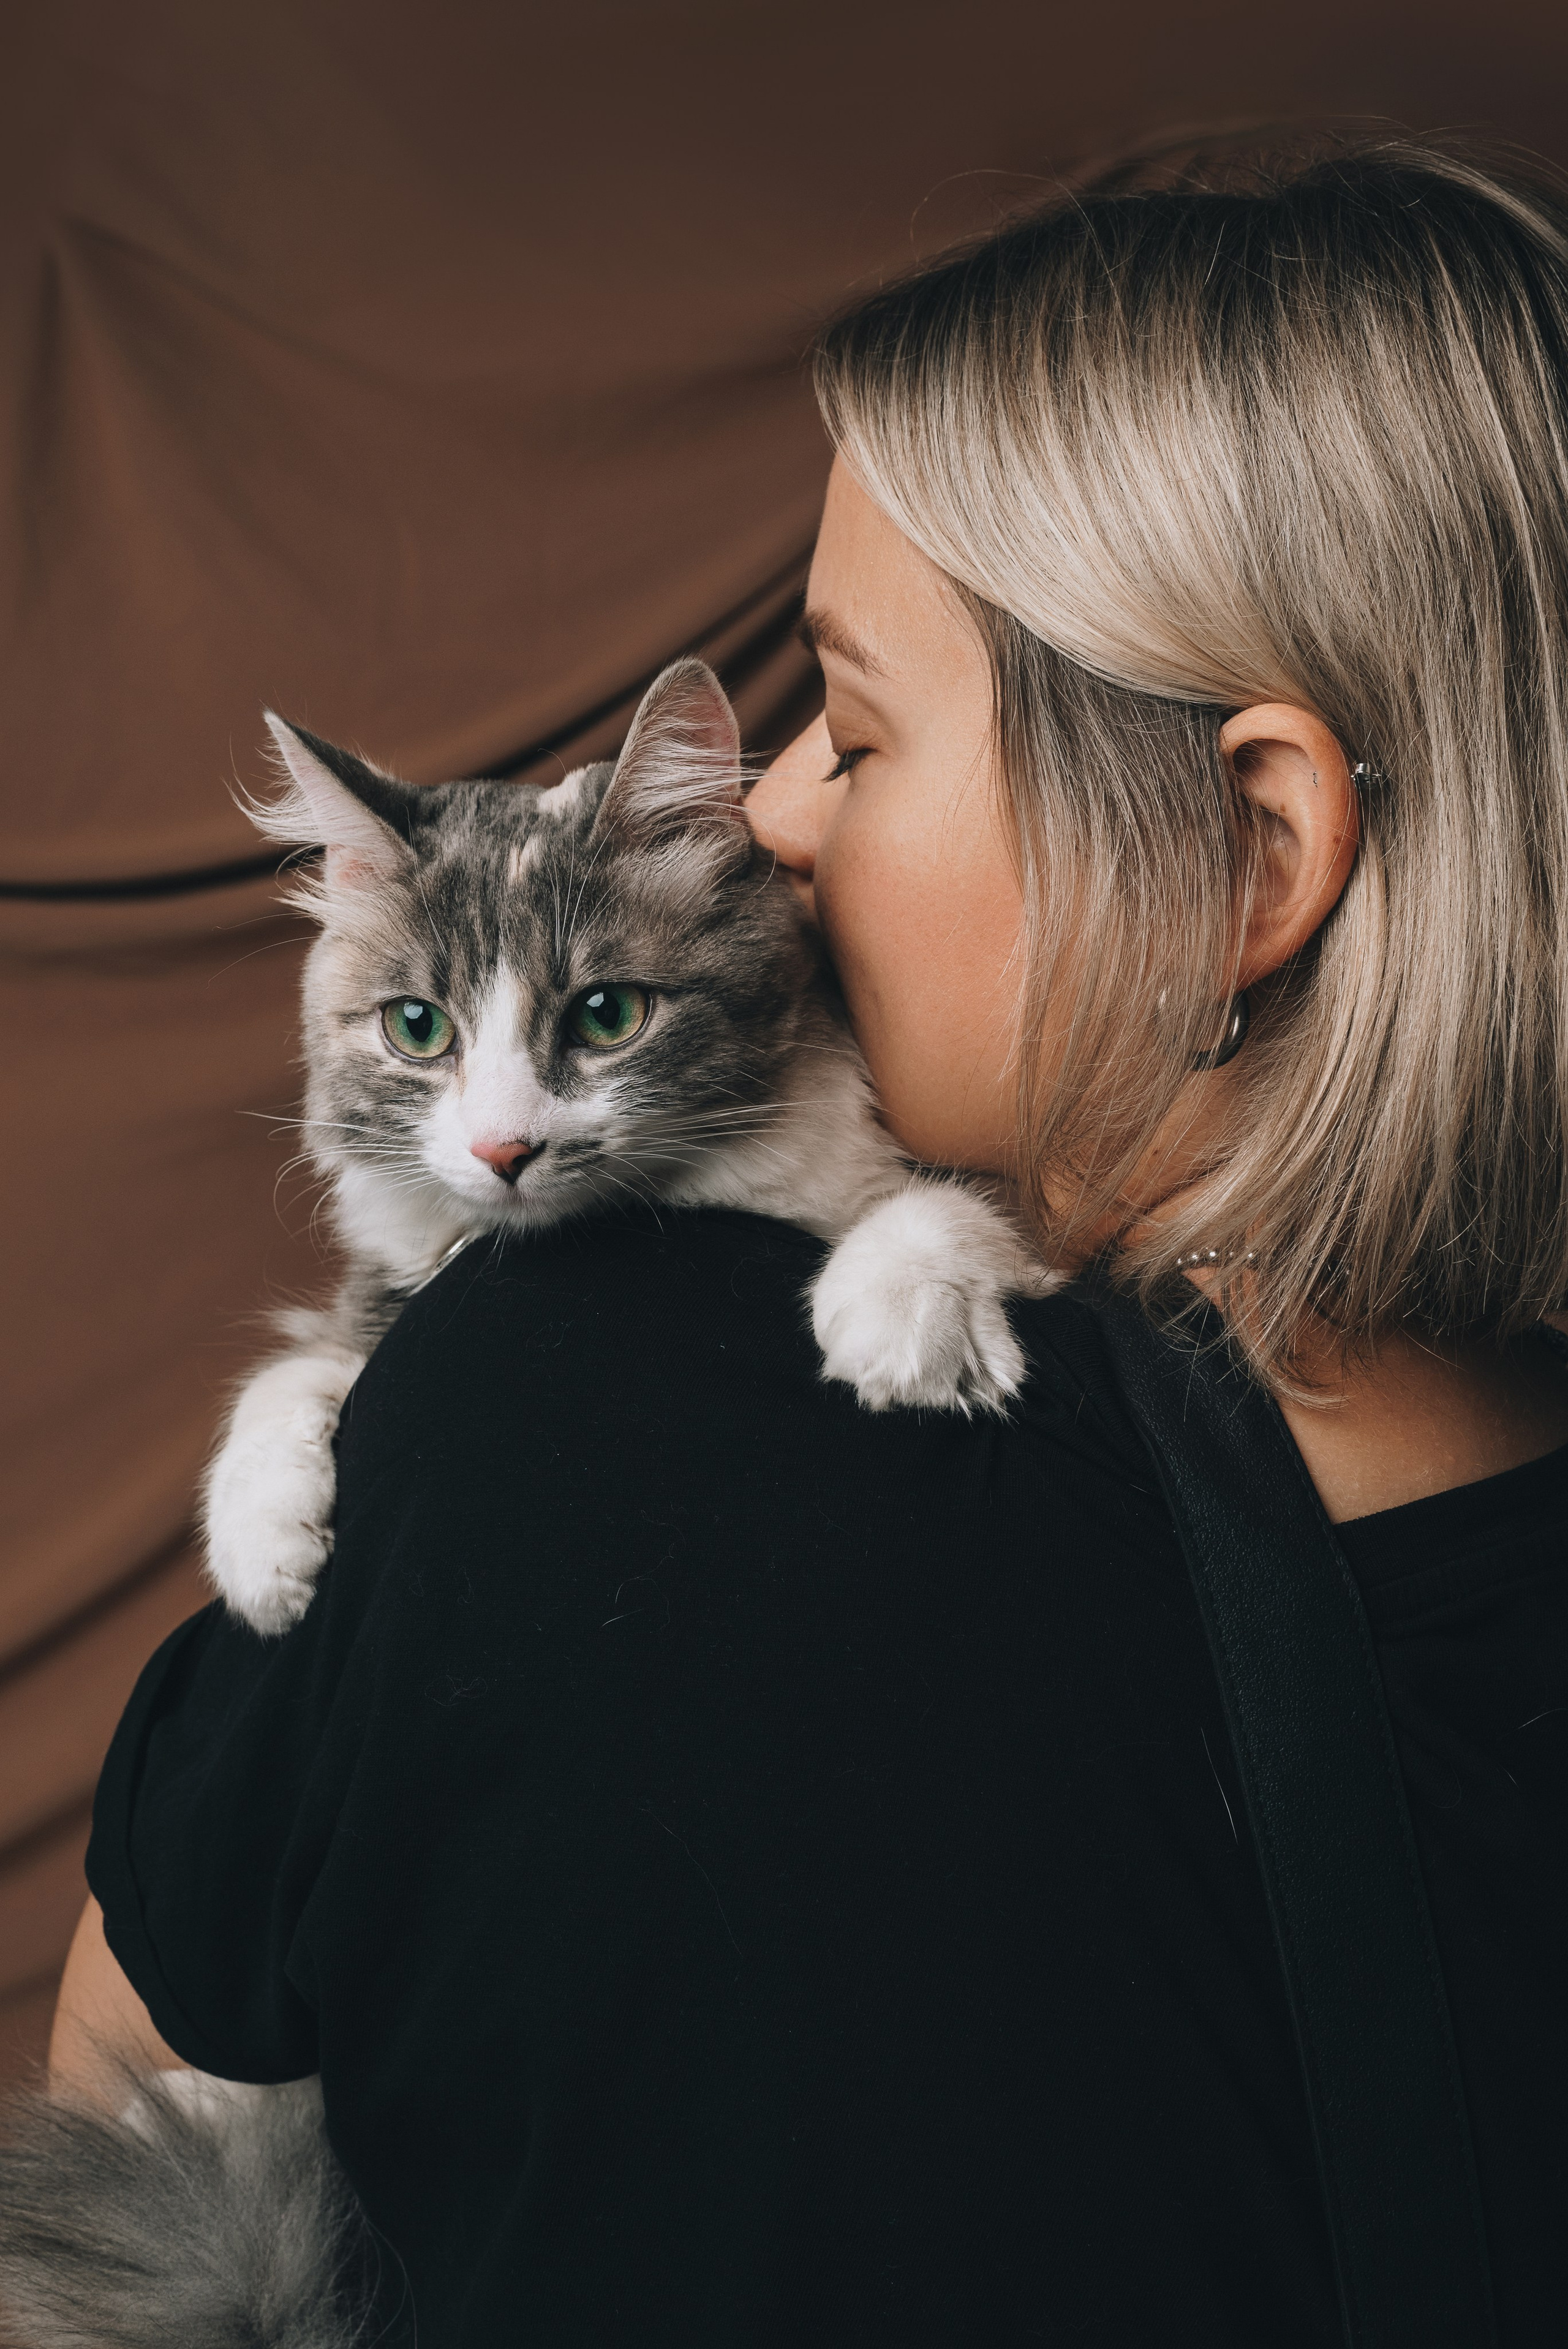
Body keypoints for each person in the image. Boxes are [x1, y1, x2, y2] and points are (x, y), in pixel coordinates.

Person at [42, 135, 1568, 2344]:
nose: (768, 810)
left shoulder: (582, 1393)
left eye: (852, 729)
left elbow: (131, 2087)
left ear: (1254, 854)